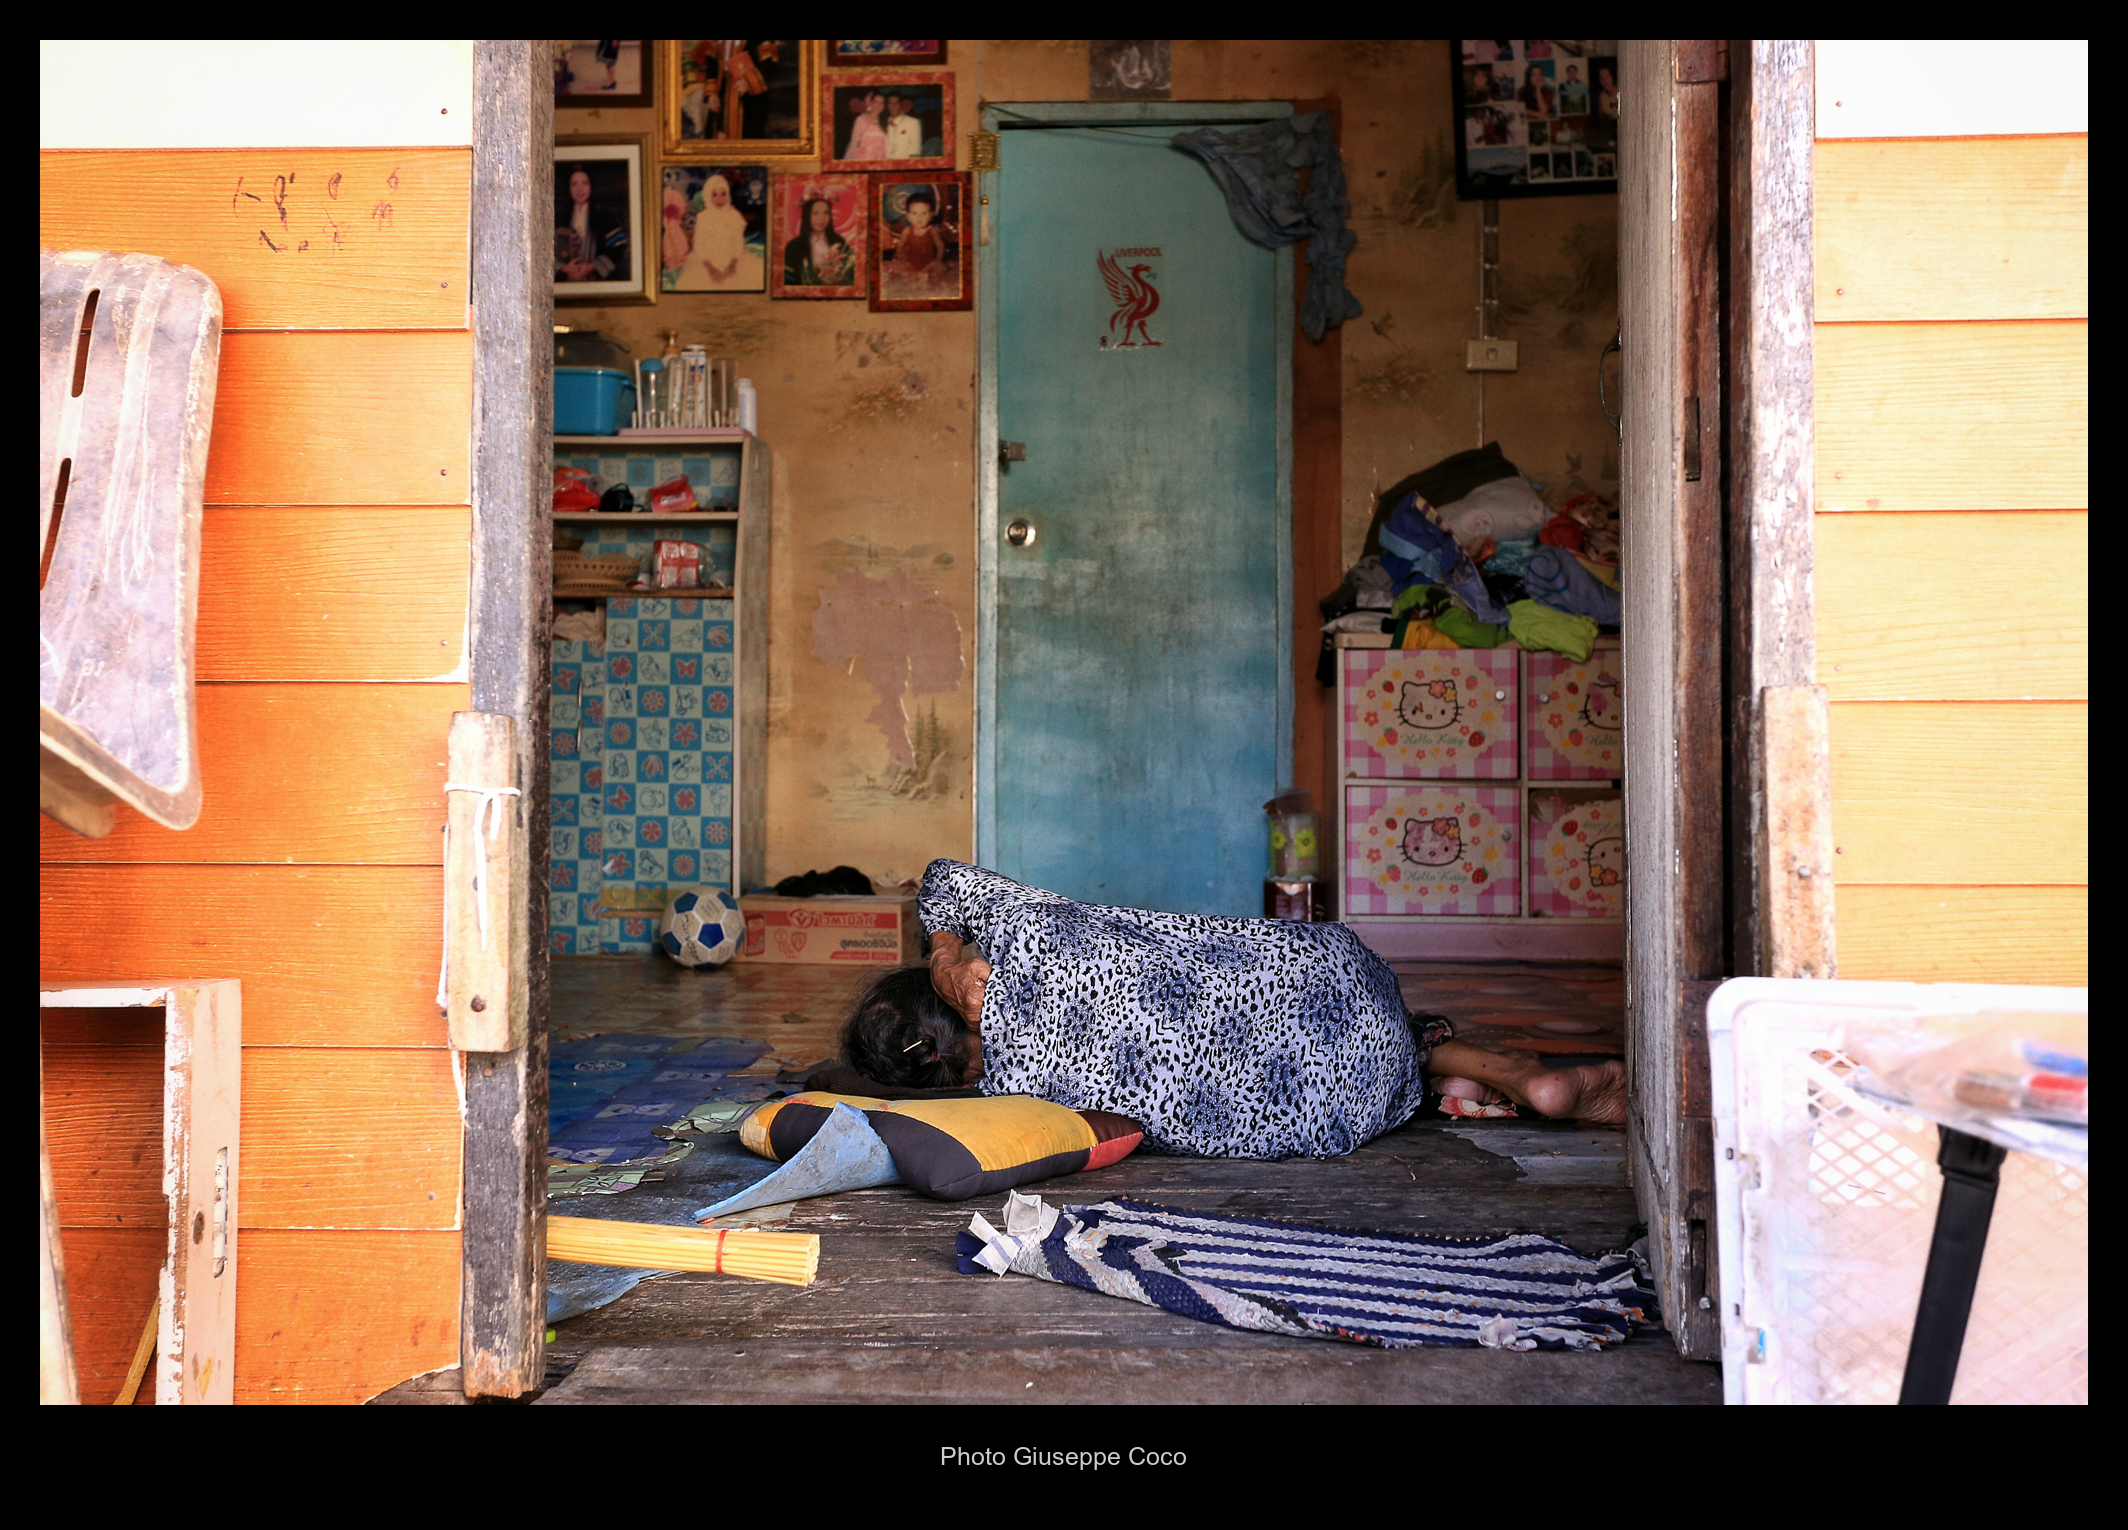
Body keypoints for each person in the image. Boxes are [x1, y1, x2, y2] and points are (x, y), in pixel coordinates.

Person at [841, 859, 1627, 1160]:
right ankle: (1514, 1070)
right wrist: (945, 954)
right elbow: (940, 880)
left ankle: (1478, 1080)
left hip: (1333, 1111)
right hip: (1331, 968)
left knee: (1355, 1070)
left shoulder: (1015, 1104)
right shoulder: (1021, 933)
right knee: (1349, 1022)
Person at [680, 172, 760, 290]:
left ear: (728, 196)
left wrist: (732, 266)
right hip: (707, 259)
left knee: (748, 277)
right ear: (708, 196)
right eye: (714, 194)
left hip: (732, 257)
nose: (719, 199)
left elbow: (738, 243)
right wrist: (711, 269)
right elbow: (699, 246)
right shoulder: (703, 217)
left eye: (723, 194)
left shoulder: (734, 216)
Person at [556, 164, 627, 283]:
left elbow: (619, 246)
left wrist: (591, 266)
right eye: (574, 184)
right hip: (565, 284)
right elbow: (544, 249)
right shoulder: (559, 218)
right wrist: (564, 267)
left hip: (596, 284)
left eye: (585, 183)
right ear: (568, 188)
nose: (580, 189)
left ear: (591, 186)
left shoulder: (605, 217)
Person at [882, 189, 952, 294]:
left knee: (942, 268)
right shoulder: (907, 231)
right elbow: (900, 246)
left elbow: (940, 245)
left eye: (924, 213)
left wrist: (938, 259)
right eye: (914, 213)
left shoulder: (932, 230)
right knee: (891, 266)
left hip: (928, 263)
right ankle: (910, 275)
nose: (919, 217)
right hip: (909, 262)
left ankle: (926, 275)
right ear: (908, 215)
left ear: (931, 215)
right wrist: (902, 258)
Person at [782, 194, 855, 287]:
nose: (821, 218)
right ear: (807, 215)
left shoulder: (839, 242)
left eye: (826, 213)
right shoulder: (794, 246)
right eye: (815, 213)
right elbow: (788, 280)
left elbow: (849, 274)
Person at [845, 89, 888, 160]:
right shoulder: (861, 119)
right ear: (871, 103)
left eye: (881, 103)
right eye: (876, 102)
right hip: (863, 157)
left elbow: (887, 144)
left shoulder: (885, 121)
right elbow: (854, 143)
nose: (879, 105)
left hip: (880, 158)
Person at [884, 92, 924, 158]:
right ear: (887, 105)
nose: (893, 105)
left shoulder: (913, 123)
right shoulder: (883, 123)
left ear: (901, 104)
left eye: (896, 103)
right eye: (890, 103)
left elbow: (915, 150)